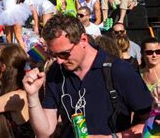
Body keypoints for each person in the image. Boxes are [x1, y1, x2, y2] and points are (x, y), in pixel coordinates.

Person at [23, 14, 153, 137]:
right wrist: (32, 96)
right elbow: (44, 132)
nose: (59, 61)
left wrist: (112, 137)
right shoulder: (56, 71)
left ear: (83, 40)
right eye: (53, 55)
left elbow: (151, 122)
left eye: (64, 54)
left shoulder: (118, 69)